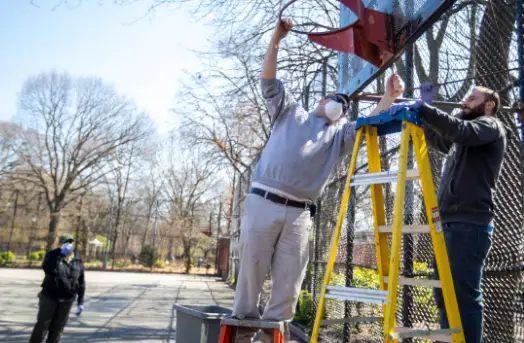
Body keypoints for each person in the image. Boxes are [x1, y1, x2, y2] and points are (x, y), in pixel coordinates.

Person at [231, 18, 404, 342]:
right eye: (334, 97)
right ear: (320, 101)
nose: (340, 102)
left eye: (344, 102)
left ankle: (272, 338)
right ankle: (240, 336)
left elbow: (370, 124)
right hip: (263, 201)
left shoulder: (340, 135)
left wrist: (389, 98)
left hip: (299, 213)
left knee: (288, 284)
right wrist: (276, 39)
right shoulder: (290, 111)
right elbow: (268, 80)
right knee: (250, 276)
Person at [387, 83, 509, 343]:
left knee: (464, 298)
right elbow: (442, 139)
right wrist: (418, 118)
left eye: (472, 98)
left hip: (469, 225)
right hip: (450, 224)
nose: (465, 101)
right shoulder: (464, 139)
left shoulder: (489, 126)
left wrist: (426, 108)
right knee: (444, 296)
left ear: (488, 106)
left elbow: (460, 130)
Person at [29, 234, 86, 343]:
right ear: (60, 244)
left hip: (67, 300)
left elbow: (81, 281)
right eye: (65, 242)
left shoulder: (77, 259)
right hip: (50, 297)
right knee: (42, 326)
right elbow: (47, 269)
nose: (68, 245)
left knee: (57, 329)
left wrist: (80, 301)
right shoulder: (52, 255)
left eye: (70, 242)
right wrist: (60, 256)